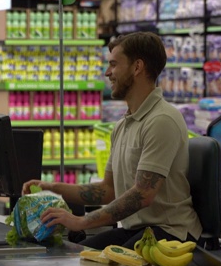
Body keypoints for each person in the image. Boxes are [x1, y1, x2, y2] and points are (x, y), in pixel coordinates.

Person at [23, 32, 202, 250]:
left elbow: (143, 195)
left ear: (137, 67)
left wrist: (81, 221)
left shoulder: (161, 120)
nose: (108, 73)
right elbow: (109, 190)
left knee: (103, 265)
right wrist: (52, 187)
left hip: (170, 232)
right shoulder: (123, 125)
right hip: (135, 229)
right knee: (79, 256)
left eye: (114, 64)